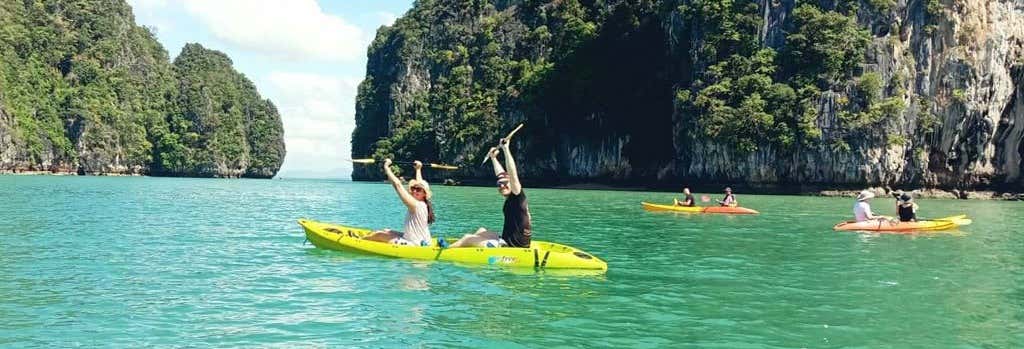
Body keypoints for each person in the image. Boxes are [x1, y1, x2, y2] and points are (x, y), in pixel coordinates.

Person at [450, 138, 532, 248]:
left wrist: (506, 149)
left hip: (513, 246)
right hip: (507, 240)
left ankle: (445, 250)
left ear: (512, 184)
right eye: (499, 184)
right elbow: (501, 175)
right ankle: (466, 246)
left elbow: (512, 173)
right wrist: (493, 158)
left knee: (467, 238)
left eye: (505, 184)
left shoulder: (517, 195)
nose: (502, 186)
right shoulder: (512, 197)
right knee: (481, 230)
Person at [363, 159, 435, 246]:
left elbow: (397, 184)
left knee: (379, 235)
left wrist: (386, 167)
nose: (415, 191)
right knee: (386, 230)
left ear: (424, 193)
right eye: (413, 189)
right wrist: (418, 169)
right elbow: (419, 183)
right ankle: (366, 237)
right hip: (421, 240)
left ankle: (359, 241)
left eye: (418, 190)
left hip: (413, 244)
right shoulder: (424, 203)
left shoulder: (415, 204)